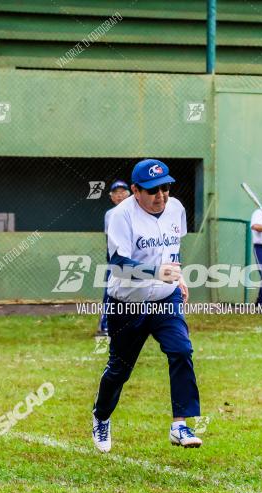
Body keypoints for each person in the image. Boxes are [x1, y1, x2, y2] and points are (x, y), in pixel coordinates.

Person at [91, 159, 202, 452]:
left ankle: (180, 424)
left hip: (166, 298)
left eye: (165, 187)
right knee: (120, 369)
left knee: (181, 350)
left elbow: (172, 249)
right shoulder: (120, 216)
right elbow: (118, 265)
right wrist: (156, 273)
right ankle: (101, 416)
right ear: (134, 190)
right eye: (152, 190)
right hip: (128, 304)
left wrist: (177, 278)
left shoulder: (176, 208)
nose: (161, 196)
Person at [97, 180, 131, 336]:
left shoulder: (136, 211)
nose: (120, 195)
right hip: (117, 261)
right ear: (111, 197)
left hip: (135, 260)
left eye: (123, 192)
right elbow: (110, 240)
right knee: (110, 292)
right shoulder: (110, 214)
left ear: (129, 194)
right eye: (116, 193)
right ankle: (105, 325)